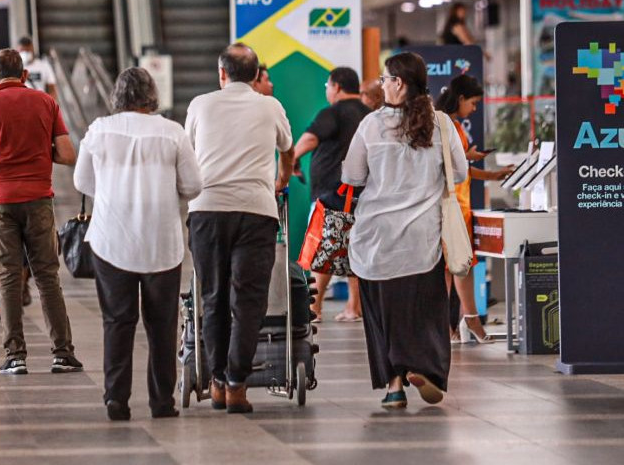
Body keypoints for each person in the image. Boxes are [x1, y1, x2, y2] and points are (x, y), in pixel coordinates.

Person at [74, 68, 203, 421]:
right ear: (152, 95)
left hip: (111, 241)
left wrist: (116, 194)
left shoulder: (99, 130)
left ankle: (116, 399)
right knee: (161, 325)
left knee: (117, 321)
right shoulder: (172, 132)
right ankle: (162, 402)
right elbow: (193, 185)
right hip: (161, 242)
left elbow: (81, 180)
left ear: (118, 95)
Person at [341, 52, 465, 409]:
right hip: (421, 239)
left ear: (398, 83)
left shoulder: (370, 125)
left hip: (375, 239)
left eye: (384, 79)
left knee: (382, 315)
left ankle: (394, 386)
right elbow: (459, 173)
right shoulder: (441, 123)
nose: (381, 85)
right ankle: (424, 368)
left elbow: (353, 177)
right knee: (424, 313)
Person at [185, 43, 294, 414]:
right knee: (248, 302)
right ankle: (236, 383)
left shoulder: (200, 105)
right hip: (256, 211)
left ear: (221, 74)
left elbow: (188, 153)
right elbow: (288, 148)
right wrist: (280, 178)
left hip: (207, 211)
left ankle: (216, 381)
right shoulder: (271, 106)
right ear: (255, 75)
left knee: (213, 297)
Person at [0, 49, 83, 376]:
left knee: (8, 277)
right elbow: (68, 154)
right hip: (38, 199)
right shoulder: (46, 103)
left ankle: (15, 355)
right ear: (25, 75)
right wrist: (40, 153)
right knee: (47, 277)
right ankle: (63, 352)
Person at [434, 74, 513, 344]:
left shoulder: (444, 123)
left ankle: (452, 326)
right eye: (474, 103)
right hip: (455, 205)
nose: (475, 109)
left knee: (451, 267)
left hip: (453, 203)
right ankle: (470, 321)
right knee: (459, 265)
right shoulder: (449, 125)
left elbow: (459, 167)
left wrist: (491, 174)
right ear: (461, 99)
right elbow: (455, 166)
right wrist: (469, 159)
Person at [293, 67, 369, 323]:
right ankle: (353, 307)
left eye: (328, 85)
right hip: (363, 194)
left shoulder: (333, 112)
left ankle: (314, 308)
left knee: (322, 253)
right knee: (355, 252)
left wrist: (291, 159)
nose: (327, 90)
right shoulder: (369, 115)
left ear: (336, 86)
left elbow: (310, 139)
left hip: (331, 194)